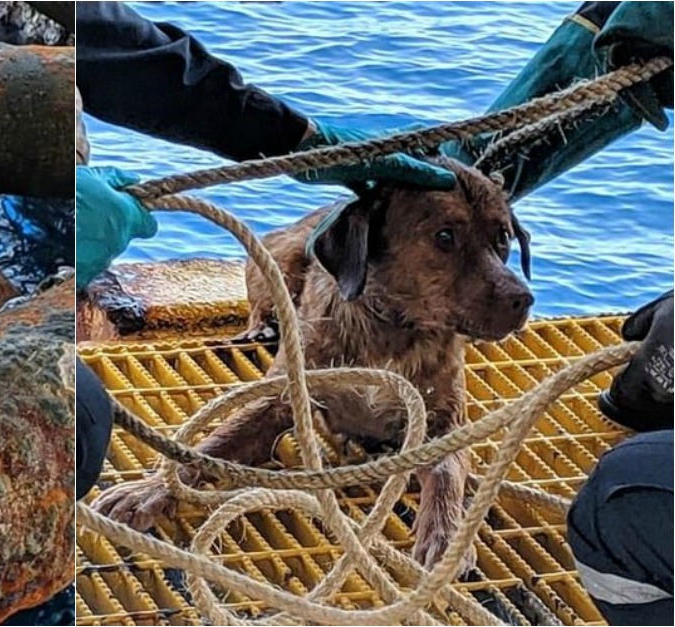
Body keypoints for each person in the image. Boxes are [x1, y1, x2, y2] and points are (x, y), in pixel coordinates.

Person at [72, 2, 673, 625]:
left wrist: (441, 524)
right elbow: (281, 405)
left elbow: (446, 434)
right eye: (447, 242)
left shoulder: (440, 330)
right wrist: (165, 485)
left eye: (500, 244)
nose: (511, 286)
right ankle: (264, 319)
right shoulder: (336, 297)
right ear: (365, 251)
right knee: (278, 276)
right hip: (330, 272)